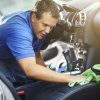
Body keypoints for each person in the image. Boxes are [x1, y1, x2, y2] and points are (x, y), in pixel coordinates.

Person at [0, 0, 85, 85]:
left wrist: (45, 69)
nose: (47, 31)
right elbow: (31, 70)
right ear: (33, 17)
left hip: (9, 55)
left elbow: (35, 51)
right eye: (45, 25)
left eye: (51, 27)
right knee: (9, 87)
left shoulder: (37, 27)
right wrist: (72, 78)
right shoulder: (19, 30)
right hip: (3, 60)